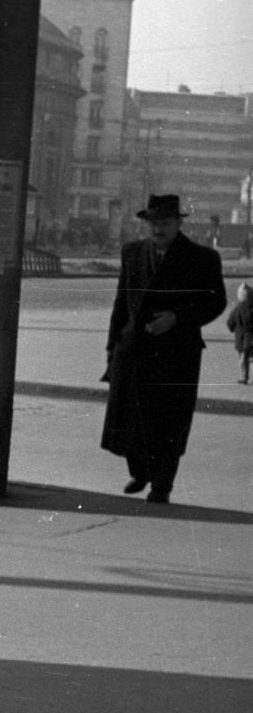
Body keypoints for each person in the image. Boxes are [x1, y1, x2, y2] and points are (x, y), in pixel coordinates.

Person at [101, 194, 227, 504]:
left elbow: (216, 301)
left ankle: (162, 485)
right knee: (130, 415)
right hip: (134, 349)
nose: (158, 229)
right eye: (153, 223)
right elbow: (121, 303)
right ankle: (140, 471)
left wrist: (177, 317)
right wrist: (112, 347)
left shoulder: (202, 258)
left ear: (178, 224)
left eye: (165, 223)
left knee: (170, 421)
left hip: (177, 353)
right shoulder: (132, 252)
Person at [226, 283, 252, 384]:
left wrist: (232, 329)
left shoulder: (237, 309)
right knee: (252, 358)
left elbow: (230, 322)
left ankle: (244, 377)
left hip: (241, 337)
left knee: (243, 358)